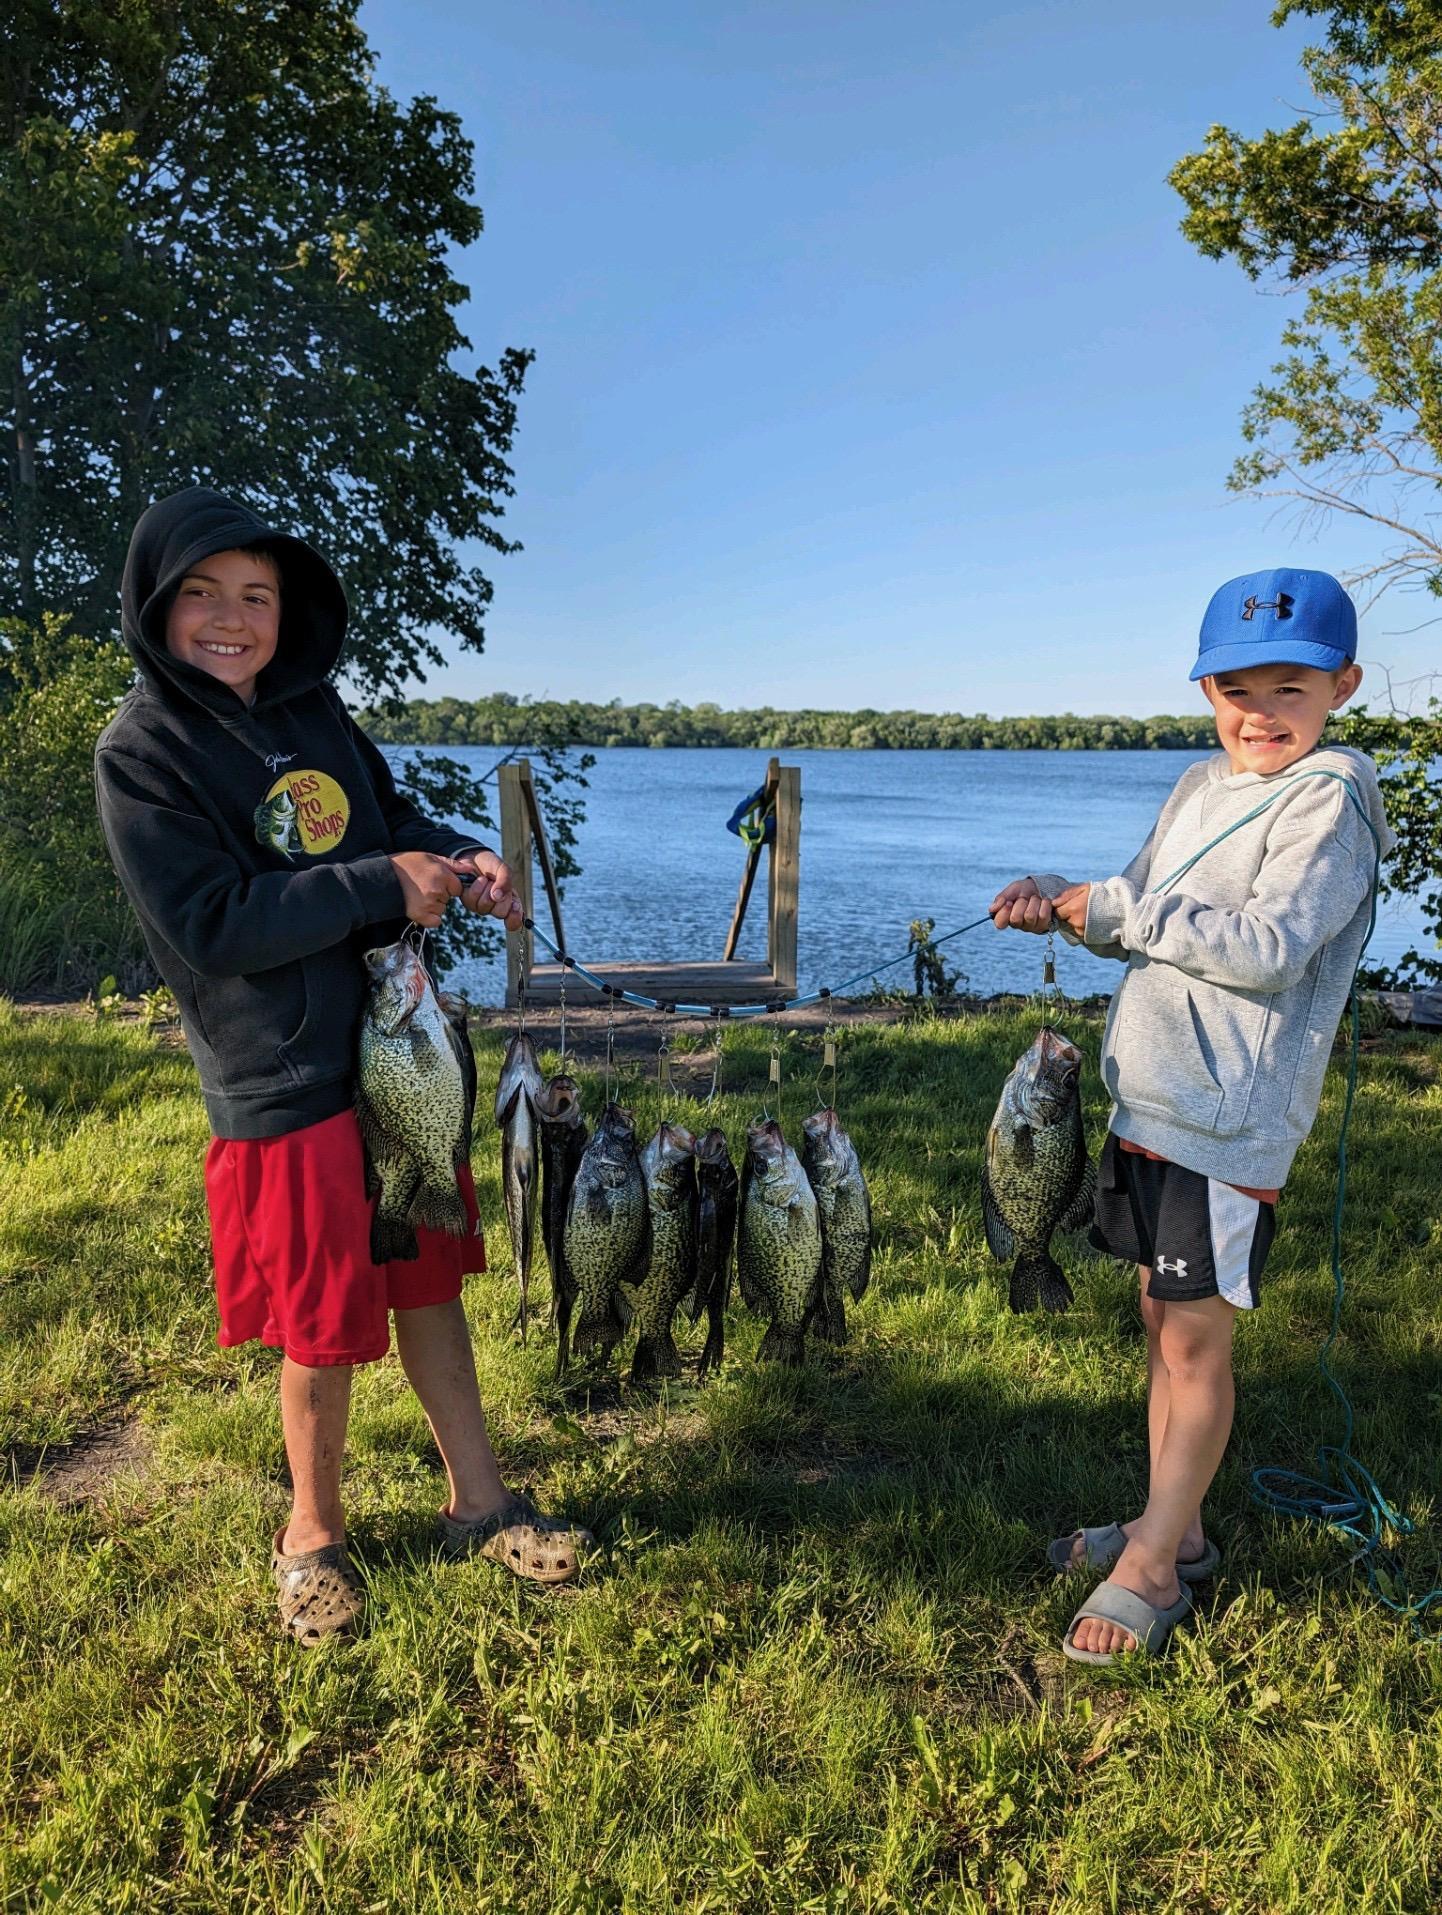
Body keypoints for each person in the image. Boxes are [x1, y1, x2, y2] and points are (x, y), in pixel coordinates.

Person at [95, 486, 591, 1647]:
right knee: (321, 1321)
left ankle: (479, 1498)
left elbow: (384, 813)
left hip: (394, 1056)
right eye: (203, 595)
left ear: (286, 610)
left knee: (426, 1279)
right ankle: (310, 1532)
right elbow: (213, 921)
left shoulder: (315, 712)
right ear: (157, 605)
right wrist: (379, 886)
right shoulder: (141, 753)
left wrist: (454, 854)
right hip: (281, 1078)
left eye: (256, 596)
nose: (232, 618)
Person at [990, 567, 1391, 1664]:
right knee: (1160, 1326)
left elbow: (1267, 946)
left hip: (1228, 1121)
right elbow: (1135, 915)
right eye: (1234, 689)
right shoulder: (1194, 787)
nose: (1258, 715)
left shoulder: (1330, 796)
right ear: (1204, 688)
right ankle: (1177, 1521)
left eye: (1288, 689)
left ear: (1341, 686)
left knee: (1197, 1339)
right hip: (1151, 1098)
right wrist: (1064, 906)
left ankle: (1155, 1567)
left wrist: (1120, 908)